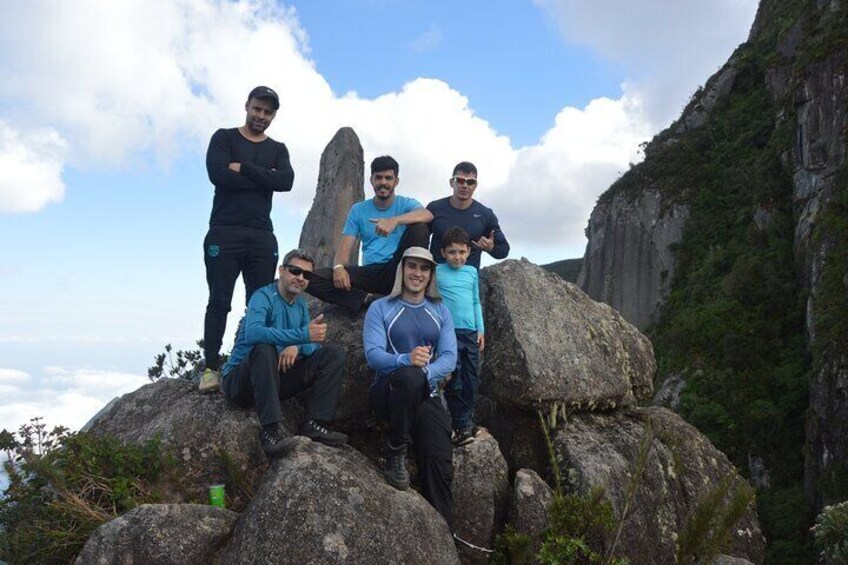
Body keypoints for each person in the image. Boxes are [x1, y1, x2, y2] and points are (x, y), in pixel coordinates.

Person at [200, 86, 295, 393]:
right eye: (257, 109)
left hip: (261, 235)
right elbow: (218, 175)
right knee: (219, 300)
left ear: (274, 116)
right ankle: (211, 368)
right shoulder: (224, 138)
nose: (261, 116)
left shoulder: (278, 148)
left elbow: (286, 181)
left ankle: (249, 361)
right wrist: (263, 176)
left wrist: (244, 168)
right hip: (224, 231)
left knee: (260, 303)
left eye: (268, 112)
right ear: (247, 106)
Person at [220, 249, 348, 458]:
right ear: (282, 270)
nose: (300, 278)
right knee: (263, 348)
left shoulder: (299, 306)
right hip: (241, 383)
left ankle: (316, 424)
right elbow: (253, 333)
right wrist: (298, 336)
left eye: (307, 275)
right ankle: (271, 432)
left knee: (333, 354)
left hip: (274, 380)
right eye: (295, 271)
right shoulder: (262, 297)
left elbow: (311, 345)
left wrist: (297, 345)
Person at [363, 247, 457, 524]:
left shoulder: (440, 310)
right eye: (412, 266)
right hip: (389, 392)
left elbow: (450, 358)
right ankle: (395, 449)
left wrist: (424, 372)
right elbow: (373, 356)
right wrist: (406, 359)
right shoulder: (381, 308)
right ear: (402, 270)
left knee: (440, 460)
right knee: (410, 376)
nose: (417, 273)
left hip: (425, 393)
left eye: (424, 268)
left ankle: (442, 534)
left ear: (431, 276)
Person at [306, 155, 433, 313]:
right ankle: (367, 299)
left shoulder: (405, 203)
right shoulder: (358, 210)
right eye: (378, 177)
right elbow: (344, 249)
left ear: (396, 181)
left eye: (388, 178)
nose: (383, 182)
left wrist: (394, 221)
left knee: (420, 228)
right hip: (371, 273)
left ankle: (413, 292)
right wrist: (338, 267)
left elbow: (427, 214)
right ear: (371, 180)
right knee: (308, 278)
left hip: (400, 268)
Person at [436, 227, 485, 446]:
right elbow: (433, 302)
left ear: (468, 252)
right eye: (452, 252)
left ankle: (466, 420)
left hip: (471, 333)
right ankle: (459, 424)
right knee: (453, 378)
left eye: (462, 252)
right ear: (443, 253)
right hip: (448, 333)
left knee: (471, 378)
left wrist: (480, 329)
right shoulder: (437, 271)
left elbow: (475, 301)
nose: (458, 257)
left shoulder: (472, 272)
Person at [427, 161, 510, 270]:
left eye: (470, 182)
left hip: (467, 281)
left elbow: (503, 250)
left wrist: (491, 248)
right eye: (460, 180)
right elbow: (418, 238)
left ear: (475, 186)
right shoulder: (435, 208)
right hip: (435, 277)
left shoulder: (485, 215)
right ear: (452, 182)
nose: (465, 186)